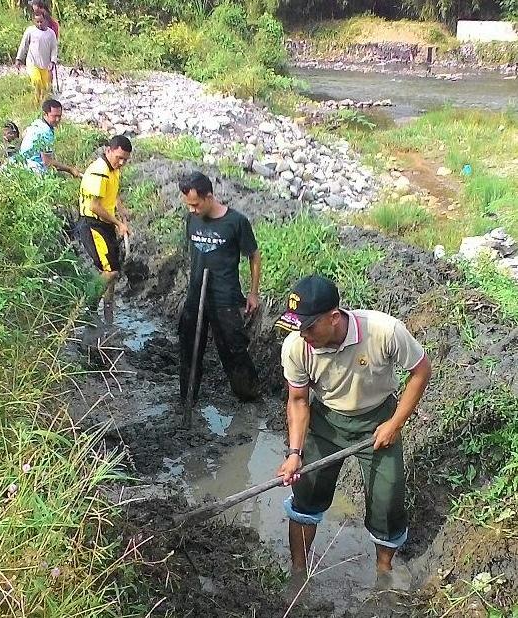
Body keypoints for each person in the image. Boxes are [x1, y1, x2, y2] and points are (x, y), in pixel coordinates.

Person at [274, 274, 432, 589]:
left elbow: (421, 370)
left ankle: (383, 574)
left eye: (309, 327)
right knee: (306, 495)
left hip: (376, 421)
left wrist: (394, 423)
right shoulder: (296, 347)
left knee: (387, 502)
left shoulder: (384, 331)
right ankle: (297, 575)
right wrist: (294, 454)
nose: (303, 335)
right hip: (326, 422)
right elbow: (298, 401)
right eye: (298, 328)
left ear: (333, 318)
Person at [178, 172, 261, 405]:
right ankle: (187, 400)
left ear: (209, 197)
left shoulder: (236, 222)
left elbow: (254, 256)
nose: (192, 209)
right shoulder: (191, 219)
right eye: (189, 205)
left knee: (233, 351)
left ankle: (249, 396)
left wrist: (253, 293)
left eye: (195, 204)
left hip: (225, 298)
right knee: (189, 349)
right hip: (195, 296)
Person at [77, 135, 133, 326]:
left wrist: (120, 208)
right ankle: (88, 308)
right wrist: (119, 223)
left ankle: (109, 310)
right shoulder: (99, 171)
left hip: (105, 224)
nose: (122, 162)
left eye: (125, 159)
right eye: (119, 157)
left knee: (111, 268)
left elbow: (113, 193)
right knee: (110, 271)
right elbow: (94, 206)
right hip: (93, 224)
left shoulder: (113, 168)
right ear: (109, 150)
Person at [17, 98, 80, 177]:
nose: (57, 120)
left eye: (59, 116)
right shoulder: (46, 131)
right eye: (54, 116)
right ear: (45, 114)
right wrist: (70, 169)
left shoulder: (37, 123)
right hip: (32, 169)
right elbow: (47, 162)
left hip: (20, 165)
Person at [16, 12, 58, 105]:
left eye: (41, 21)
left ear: (46, 21)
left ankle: (43, 105)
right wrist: (19, 59)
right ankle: (35, 104)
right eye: (37, 22)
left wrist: (52, 61)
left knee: (45, 87)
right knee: (36, 81)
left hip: (45, 65)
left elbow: (54, 48)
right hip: (32, 62)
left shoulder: (51, 34)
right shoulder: (30, 31)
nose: (39, 24)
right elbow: (24, 45)